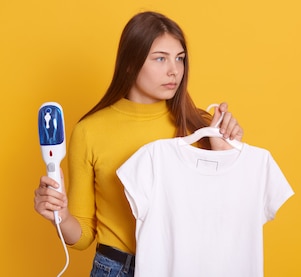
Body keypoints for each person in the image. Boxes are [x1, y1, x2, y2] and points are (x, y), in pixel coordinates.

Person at [33, 11, 244, 276]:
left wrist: (225, 150)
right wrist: (60, 214)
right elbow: (84, 235)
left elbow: (229, 216)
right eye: (160, 59)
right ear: (130, 64)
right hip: (117, 267)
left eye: (180, 59)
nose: (174, 71)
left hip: (187, 266)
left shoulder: (199, 127)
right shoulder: (90, 131)